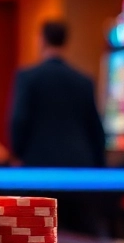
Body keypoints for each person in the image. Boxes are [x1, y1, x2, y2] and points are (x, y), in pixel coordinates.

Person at [10, 21, 106, 168]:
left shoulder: (27, 78)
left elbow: (18, 121)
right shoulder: (84, 81)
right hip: (79, 165)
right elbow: (95, 130)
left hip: (38, 165)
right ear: (65, 42)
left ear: (42, 40)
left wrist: (18, 154)